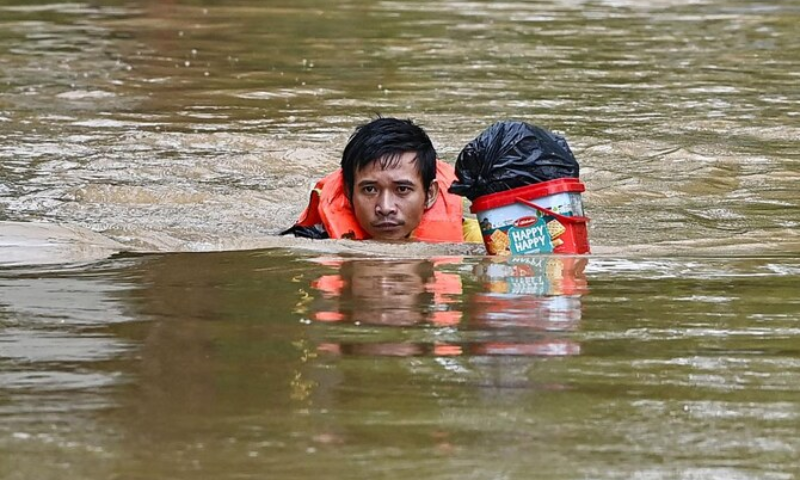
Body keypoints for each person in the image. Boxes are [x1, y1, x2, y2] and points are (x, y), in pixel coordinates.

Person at [283, 117, 481, 242]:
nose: (385, 208)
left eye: (402, 189)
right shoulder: (312, 240)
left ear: (430, 194)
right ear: (349, 193)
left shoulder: (476, 240)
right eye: (370, 189)